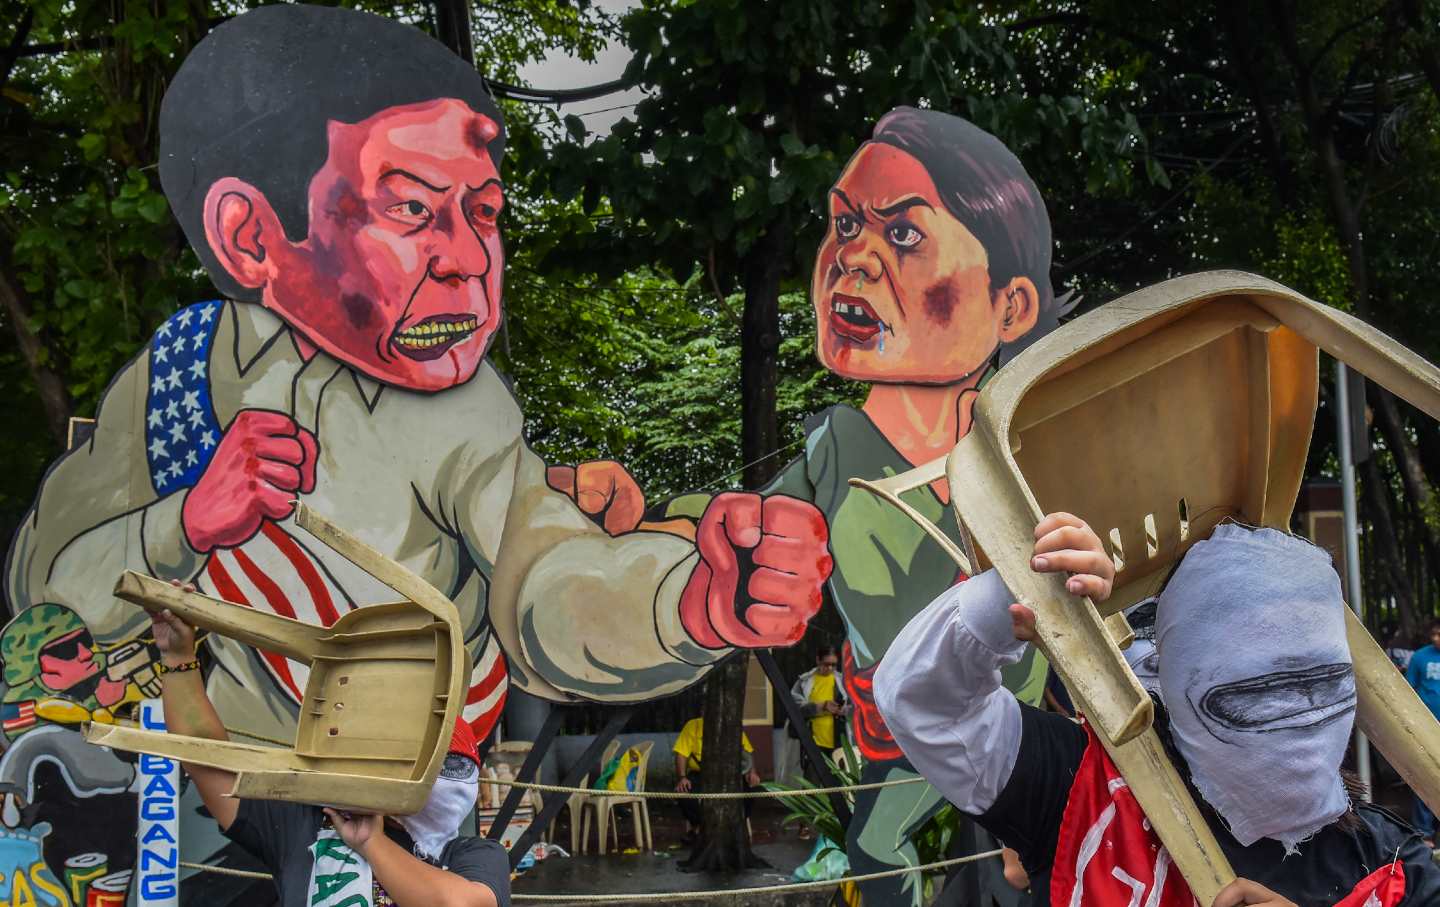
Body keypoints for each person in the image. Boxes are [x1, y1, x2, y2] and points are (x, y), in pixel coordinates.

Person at [643, 106, 1068, 905]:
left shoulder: (1034, 453)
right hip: (900, 745)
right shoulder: (836, 448)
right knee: (878, 852)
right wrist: (647, 528)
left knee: (1017, 872)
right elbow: (736, 529)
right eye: (844, 225)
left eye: (903, 235)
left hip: (1021, 751)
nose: (852, 260)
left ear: (1011, 306)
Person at [876, 513, 1440, 907]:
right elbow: (922, 698)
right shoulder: (1088, 787)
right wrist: (1025, 580)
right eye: (1252, 682)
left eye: (1317, 681)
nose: (1292, 705)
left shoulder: (1392, 864)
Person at [150, 588, 509, 907]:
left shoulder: (472, 854)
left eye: (453, 764)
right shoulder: (309, 822)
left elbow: (459, 903)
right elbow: (205, 757)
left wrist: (371, 842)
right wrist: (178, 657)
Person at [672, 716, 761, 842]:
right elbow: (681, 754)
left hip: (730, 774)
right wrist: (682, 777)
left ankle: (735, 827)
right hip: (701, 773)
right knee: (683, 793)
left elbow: (748, 752)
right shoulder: (693, 725)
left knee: (752, 790)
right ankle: (699, 828)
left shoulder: (731, 724)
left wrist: (752, 772)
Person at [1405, 619, 1440, 840]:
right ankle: (1424, 831)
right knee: (1424, 773)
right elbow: (1408, 690)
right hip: (1427, 726)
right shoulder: (1419, 657)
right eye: (1435, 634)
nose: (1437, 638)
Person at [789, 645, 848, 765]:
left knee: (838, 781)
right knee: (812, 779)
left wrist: (844, 710)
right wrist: (822, 706)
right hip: (813, 742)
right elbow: (794, 707)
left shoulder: (843, 681)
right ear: (818, 660)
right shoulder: (804, 681)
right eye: (826, 664)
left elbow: (855, 706)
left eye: (833, 665)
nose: (830, 668)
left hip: (839, 741)